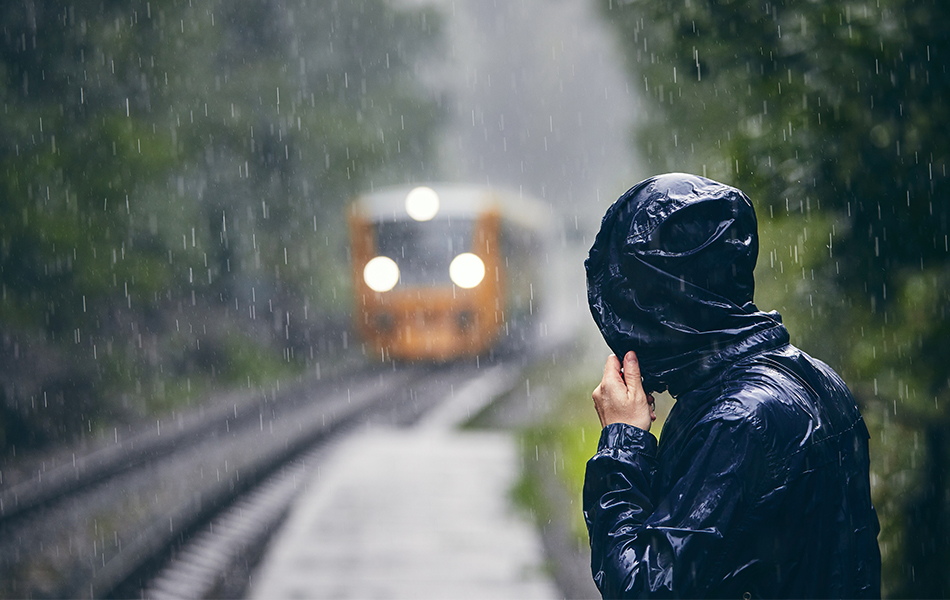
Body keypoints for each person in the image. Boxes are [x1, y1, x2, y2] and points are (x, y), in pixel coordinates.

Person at [582, 173, 881, 598]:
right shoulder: (817, 378)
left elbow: (645, 588)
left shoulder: (736, 419)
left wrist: (622, 444)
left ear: (662, 303)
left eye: (634, 298)